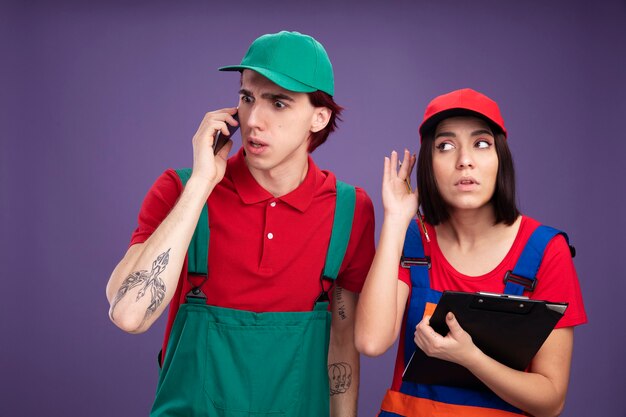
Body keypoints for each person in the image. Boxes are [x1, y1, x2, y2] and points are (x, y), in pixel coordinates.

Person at [106, 31, 375, 417]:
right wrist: (201, 185)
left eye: (278, 103)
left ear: (319, 117)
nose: (254, 121)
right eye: (247, 98)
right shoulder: (179, 189)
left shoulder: (350, 211)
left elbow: (343, 341)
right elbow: (129, 315)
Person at [355, 88, 587, 417]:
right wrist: (395, 219)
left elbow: (551, 400)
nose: (464, 160)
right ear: (429, 164)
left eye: (481, 143)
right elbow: (370, 342)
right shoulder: (413, 239)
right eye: (445, 146)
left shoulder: (546, 251)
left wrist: (470, 357)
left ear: (500, 159)